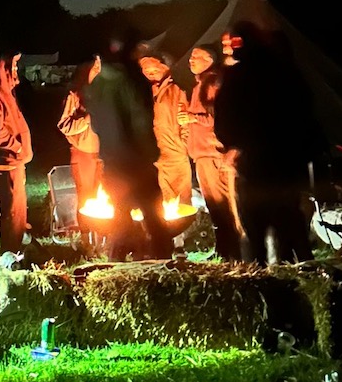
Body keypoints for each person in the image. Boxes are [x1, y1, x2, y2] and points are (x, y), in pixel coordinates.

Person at [213, 21, 322, 265]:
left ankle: (261, 277)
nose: (231, 47)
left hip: (255, 165)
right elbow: (305, 112)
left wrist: (234, 145)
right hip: (286, 162)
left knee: (256, 230)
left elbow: (225, 118)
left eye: (235, 41)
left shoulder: (237, 76)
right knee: (290, 225)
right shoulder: (287, 71)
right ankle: (298, 271)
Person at [83, 41, 174, 262]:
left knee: (120, 217)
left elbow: (96, 124)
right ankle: (163, 264)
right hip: (136, 161)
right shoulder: (132, 80)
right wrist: (151, 154)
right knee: (153, 216)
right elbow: (141, 120)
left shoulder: (96, 84)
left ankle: (115, 263)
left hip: (112, 161)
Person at [186, 43, 245, 261]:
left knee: (223, 206)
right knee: (215, 206)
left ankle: (235, 252)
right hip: (202, 153)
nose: (191, 60)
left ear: (210, 60)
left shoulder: (212, 82)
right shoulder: (199, 84)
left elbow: (217, 116)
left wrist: (192, 118)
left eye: (197, 57)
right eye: (191, 57)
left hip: (212, 152)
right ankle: (225, 250)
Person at [0, 51, 33, 253]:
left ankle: (17, 250)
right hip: (6, 163)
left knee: (18, 212)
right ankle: (9, 255)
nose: (16, 71)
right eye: (13, 67)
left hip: (15, 163)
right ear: (3, 70)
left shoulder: (7, 93)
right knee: (11, 213)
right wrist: (17, 147)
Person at [135, 44, 193, 206]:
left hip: (174, 153)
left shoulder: (177, 91)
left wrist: (182, 145)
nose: (149, 72)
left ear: (165, 67)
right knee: (156, 202)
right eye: (145, 69)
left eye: (153, 68)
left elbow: (186, 122)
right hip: (152, 155)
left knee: (179, 202)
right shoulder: (143, 93)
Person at [56, 56, 104, 213]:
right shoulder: (73, 95)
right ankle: (86, 228)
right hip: (84, 154)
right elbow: (64, 126)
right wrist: (88, 118)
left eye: (100, 67)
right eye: (95, 68)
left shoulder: (106, 94)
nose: (99, 71)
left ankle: (108, 229)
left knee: (107, 195)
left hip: (106, 153)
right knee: (87, 199)